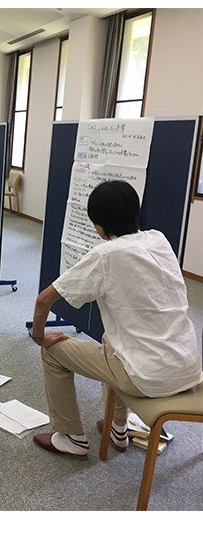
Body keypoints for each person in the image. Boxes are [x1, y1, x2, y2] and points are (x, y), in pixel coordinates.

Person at [30, 180, 203, 460]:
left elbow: (44, 300)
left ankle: (71, 437)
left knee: (52, 351)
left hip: (147, 379)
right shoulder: (158, 239)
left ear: (99, 227)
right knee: (112, 341)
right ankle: (118, 429)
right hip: (188, 369)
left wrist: (39, 337)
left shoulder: (105, 254)